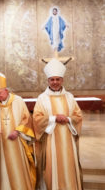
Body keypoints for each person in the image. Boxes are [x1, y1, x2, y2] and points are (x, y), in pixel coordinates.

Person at [33, 59, 82, 190]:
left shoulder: (70, 97)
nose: (55, 82)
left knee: (69, 165)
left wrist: (68, 119)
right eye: (52, 79)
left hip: (68, 141)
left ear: (62, 80)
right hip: (51, 141)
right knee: (52, 166)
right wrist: (53, 118)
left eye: (58, 79)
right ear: (48, 81)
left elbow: (78, 116)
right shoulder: (42, 98)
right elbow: (37, 118)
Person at [0, 71, 36, 190]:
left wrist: (17, 131)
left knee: (18, 170)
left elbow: (27, 119)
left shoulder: (18, 101)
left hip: (18, 144)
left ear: (6, 90)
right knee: (3, 171)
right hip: (2, 147)